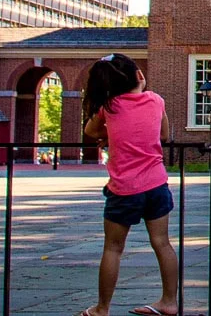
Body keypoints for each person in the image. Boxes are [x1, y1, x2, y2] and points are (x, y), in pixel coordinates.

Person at [80, 54, 178, 316]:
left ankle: (102, 307)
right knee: (162, 243)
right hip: (156, 184)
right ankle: (169, 301)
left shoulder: (110, 107)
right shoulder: (156, 101)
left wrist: (111, 134)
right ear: (139, 76)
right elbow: (165, 135)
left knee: (113, 248)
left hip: (124, 188)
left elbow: (90, 131)